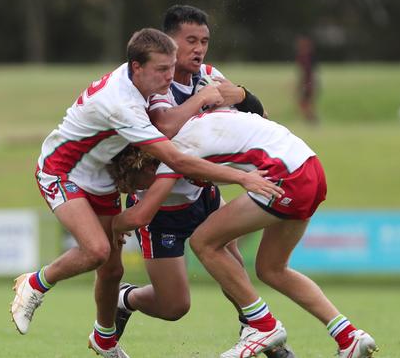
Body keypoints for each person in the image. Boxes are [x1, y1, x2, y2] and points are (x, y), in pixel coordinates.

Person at [9, 28, 283, 358]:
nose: (169, 77)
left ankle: (105, 340)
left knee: (112, 271)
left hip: (103, 179)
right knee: (96, 251)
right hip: (62, 172)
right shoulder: (122, 104)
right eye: (161, 70)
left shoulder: (142, 85)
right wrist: (242, 179)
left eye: (171, 68)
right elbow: (176, 159)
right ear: (136, 67)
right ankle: (36, 284)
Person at [110, 108, 378, 358]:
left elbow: (142, 214)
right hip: (310, 166)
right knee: (272, 269)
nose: (141, 190)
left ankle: (263, 326)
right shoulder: (194, 122)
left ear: (146, 165)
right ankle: (349, 336)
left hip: (286, 177)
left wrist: (109, 228)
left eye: (137, 185)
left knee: (204, 242)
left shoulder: (175, 155)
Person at [113, 5, 293, 358]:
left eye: (205, 41)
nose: (199, 49)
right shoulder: (153, 81)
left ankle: (261, 334)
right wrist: (201, 100)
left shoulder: (208, 74)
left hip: (203, 191)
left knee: (233, 266)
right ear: (169, 42)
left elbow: (261, 118)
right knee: (174, 306)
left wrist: (242, 95)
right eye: (190, 40)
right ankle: (125, 298)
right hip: (161, 206)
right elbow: (164, 126)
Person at [295, 35, 318, 123]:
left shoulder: (306, 56)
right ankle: (311, 120)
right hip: (308, 83)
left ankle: (312, 121)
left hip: (308, 83)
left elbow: (307, 73)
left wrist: (306, 85)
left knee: (304, 103)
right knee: (305, 103)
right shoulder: (305, 56)